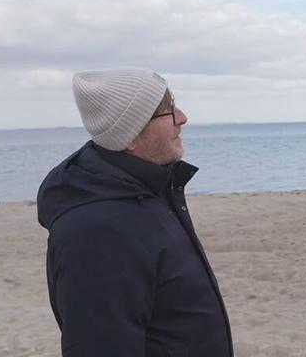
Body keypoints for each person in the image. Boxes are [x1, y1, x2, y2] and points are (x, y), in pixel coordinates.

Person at [37, 68, 232, 356]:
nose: (182, 117)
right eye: (167, 111)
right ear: (129, 136)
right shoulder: (97, 230)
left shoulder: (148, 192)